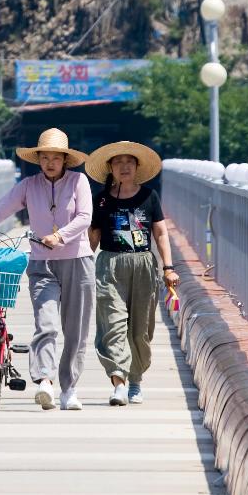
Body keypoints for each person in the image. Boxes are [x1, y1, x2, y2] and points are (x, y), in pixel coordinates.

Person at [0, 128, 95, 411]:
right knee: (47, 323)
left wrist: (60, 236)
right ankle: (45, 382)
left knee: (75, 330)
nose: (50, 163)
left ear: (65, 159)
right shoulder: (29, 185)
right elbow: (0, 209)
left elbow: (85, 217)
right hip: (41, 262)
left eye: (56, 157)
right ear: (38, 159)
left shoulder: (79, 181)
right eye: (44, 157)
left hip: (77, 260)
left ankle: (70, 389)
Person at [83, 141, 176, 406]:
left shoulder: (149, 196)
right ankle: (119, 381)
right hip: (109, 265)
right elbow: (93, 238)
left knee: (140, 330)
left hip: (143, 265)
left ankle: (135, 379)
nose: (124, 167)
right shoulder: (100, 199)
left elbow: (160, 233)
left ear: (137, 167)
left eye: (129, 162)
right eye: (118, 162)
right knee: (112, 324)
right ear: (110, 168)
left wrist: (168, 268)